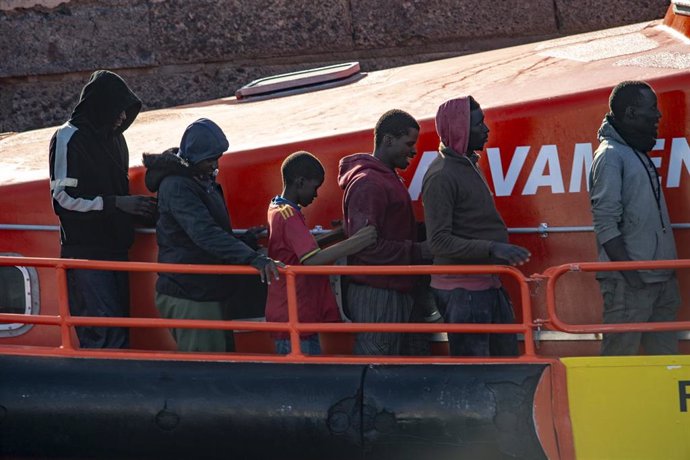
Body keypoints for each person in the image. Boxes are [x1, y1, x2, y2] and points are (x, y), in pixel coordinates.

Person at [143, 118, 281, 352]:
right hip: (191, 294)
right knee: (208, 372)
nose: (214, 164)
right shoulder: (178, 186)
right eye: (209, 159)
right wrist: (251, 257)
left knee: (218, 365)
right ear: (194, 158)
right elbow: (204, 233)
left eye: (216, 158)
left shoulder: (195, 180)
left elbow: (205, 233)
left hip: (201, 291)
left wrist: (244, 241)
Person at [48, 70, 157, 349]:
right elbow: (62, 199)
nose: (123, 118)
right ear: (102, 106)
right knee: (104, 336)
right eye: (118, 110)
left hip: (117, 252)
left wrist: (137, 209)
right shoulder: (67, 138)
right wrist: (117, 204)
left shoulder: (117, 140)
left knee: (120, 332)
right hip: (87, 257)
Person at [421, 96, 530, 357]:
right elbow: (438, 241)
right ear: (460, 130)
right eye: (478, 124)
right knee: (476, 371)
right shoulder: (442, 175)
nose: (486, 129)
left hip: (486, 284)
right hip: (463, 292)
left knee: (505, 362)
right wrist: (493, 248)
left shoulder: (469, 164)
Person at [589, 81, 680, 356]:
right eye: (652, 108)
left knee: (665, 367)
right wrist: (633, 277)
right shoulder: (610, 157)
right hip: (631, 286)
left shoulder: (634, 151)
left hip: (660, 281)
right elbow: (605, 225)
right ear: (630, 113)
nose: (658, 116)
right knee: (619, 364)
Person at [337, 109, 433, 356]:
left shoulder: (383, 178)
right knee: (379, 370)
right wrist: (419, 250)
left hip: (395, 290)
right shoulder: (369, 182)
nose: (413, 151)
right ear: (388, 139)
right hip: (379, 295)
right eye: (409, 143)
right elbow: (366, 247)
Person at [265, 151, 377, 354]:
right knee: (304, 382)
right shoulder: (289, 215)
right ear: (300, 182)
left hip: (295, 314)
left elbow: (301, 248)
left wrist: (339, 234)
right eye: (314, 187)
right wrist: (359, 241)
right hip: (295, 316)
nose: (316, 195)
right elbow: (311, 260)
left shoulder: (277, 208)